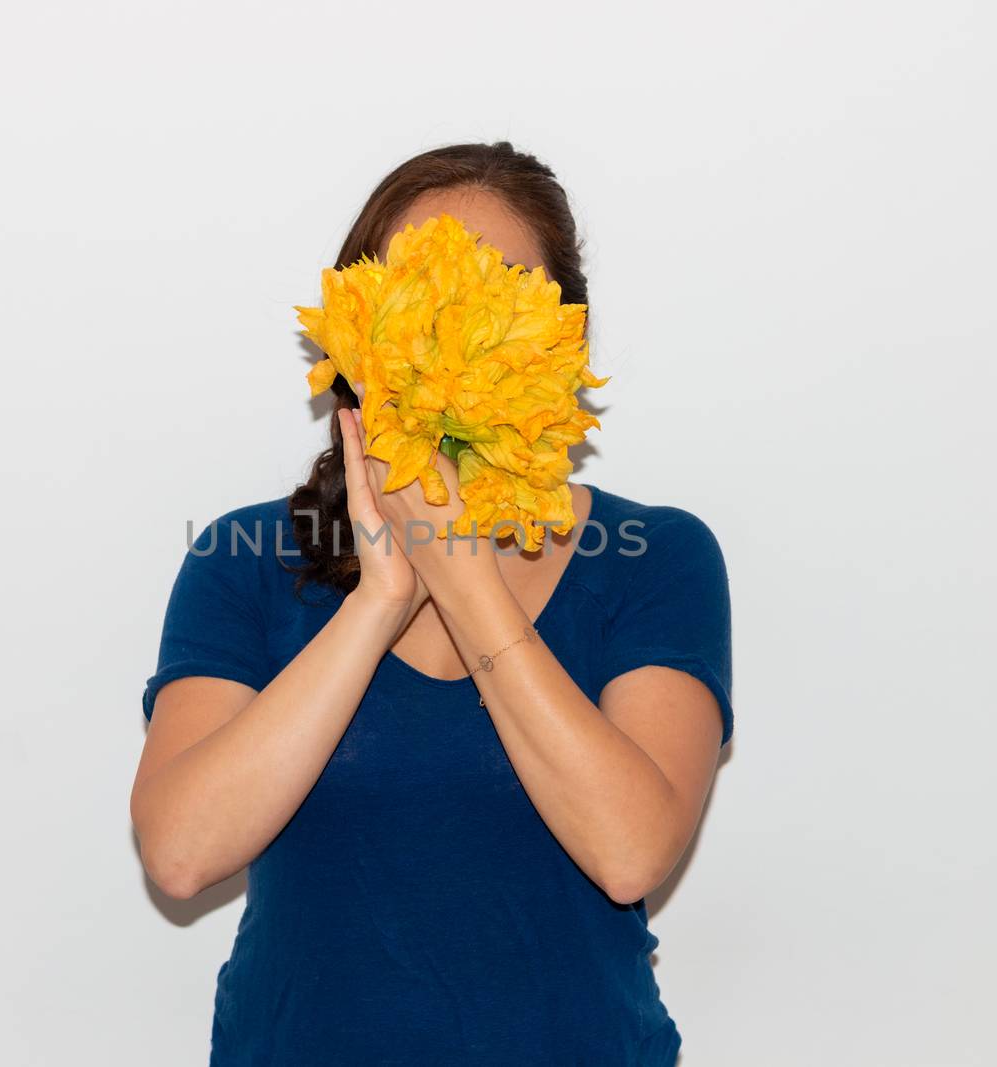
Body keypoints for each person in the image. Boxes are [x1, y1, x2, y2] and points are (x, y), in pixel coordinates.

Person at [130, 141, 733, 1066]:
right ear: (357, 331)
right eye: (423, 293)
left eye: (498, 292)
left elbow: (630, 849)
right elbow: (179, 852)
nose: (455, 332)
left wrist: (457, 569)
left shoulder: (657, 557)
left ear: (561, 337)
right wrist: (380, 599)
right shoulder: (241, 559)